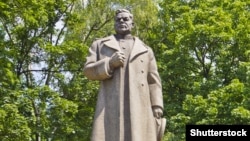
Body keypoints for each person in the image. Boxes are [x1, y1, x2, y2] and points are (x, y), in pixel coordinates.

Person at [83, 8, 164, 141]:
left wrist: (157, 106)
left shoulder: (146, 50)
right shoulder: (100, 45)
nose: (121, 21)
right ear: (114, 24)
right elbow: (88, 71)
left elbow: (153, 80)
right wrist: (109, 63)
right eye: (118, 19)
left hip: (140, 104)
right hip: (110, 103)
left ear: (132, 24)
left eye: (125, 19)